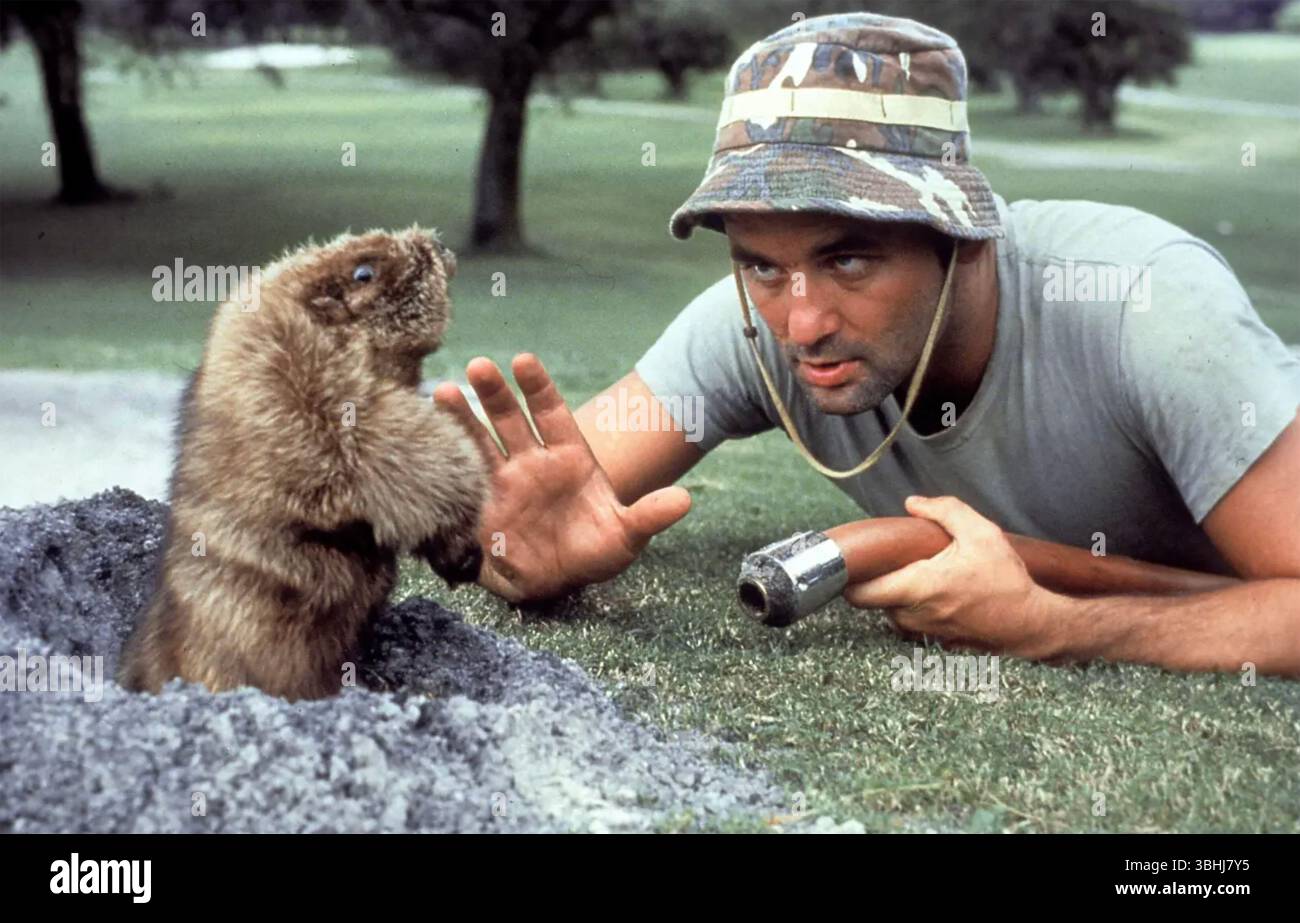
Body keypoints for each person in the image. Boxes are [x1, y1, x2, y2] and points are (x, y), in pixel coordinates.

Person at [433, 13, 1300, 676]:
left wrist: (1061, 627)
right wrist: (513, 554)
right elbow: (564, 491)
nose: (801, 322)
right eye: (761, 266)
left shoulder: (1148, 308)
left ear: (960, 236)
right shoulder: (755, 318)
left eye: (849, 258)